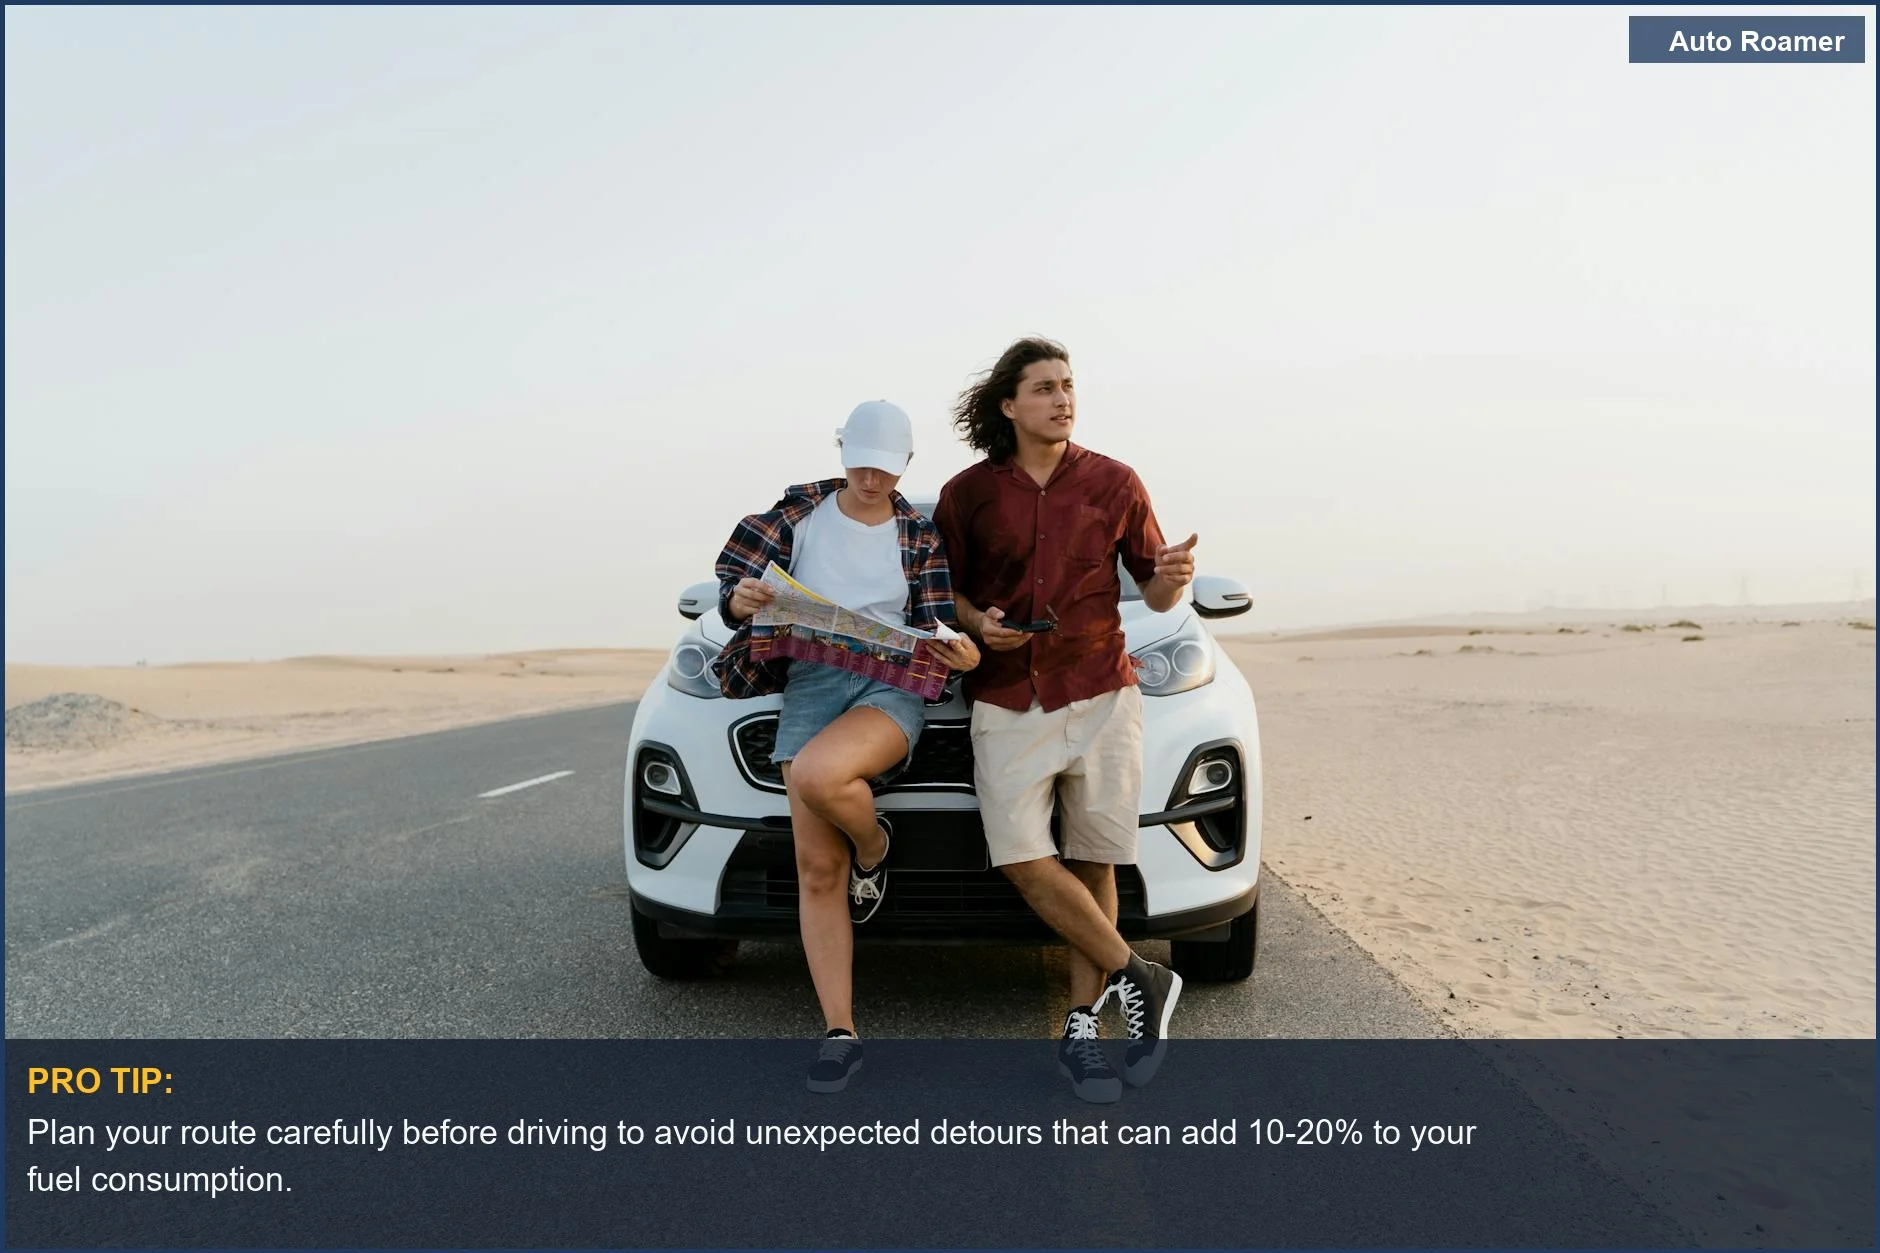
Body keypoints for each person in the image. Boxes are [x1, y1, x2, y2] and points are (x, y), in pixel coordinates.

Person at [933, 338, 1198, 1104]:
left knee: (1093, 858)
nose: (1062, 398)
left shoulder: (1117, 482)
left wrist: (1172, 579)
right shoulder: (966, 493)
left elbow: (1153, 595)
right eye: (1045, 387)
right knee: (1020, 856)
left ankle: (1083, 1029)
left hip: (1101, 688)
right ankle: (1139, 973)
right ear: (1008, 404)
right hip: (1009, 694)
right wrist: (981, 621)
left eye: (1068, 386)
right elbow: (942, 593)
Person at [714, 400, 980, 1093]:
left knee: (818, 773)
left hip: (889, 684)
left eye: (886, 468)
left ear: (906, 465)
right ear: (841, 451)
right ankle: (840, 1031)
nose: (871, 477)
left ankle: (875, 847)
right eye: (861, 461)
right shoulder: (797, 513)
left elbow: (937, 623)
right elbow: (734, 589)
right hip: (811, 680)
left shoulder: (917, 534)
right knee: (816, 871)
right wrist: (739, 603)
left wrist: (959, 649)